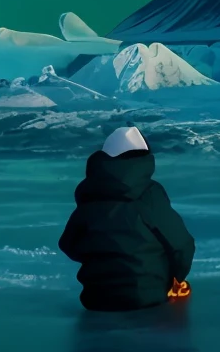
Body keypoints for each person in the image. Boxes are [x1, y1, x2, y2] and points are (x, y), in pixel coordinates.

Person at [59, 125, 196, 311]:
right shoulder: (149, 194)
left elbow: (68, 244)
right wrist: (177, 278)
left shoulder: (90, 194)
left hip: (97, 299)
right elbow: (181, 244)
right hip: (149, 297)